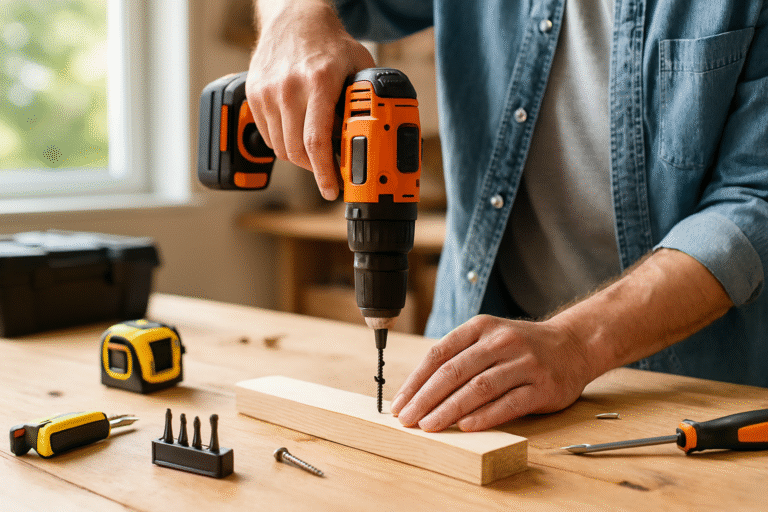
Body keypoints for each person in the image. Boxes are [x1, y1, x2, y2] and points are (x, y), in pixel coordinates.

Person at [247, 0, 768, 432]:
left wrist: (578, 342)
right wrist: (292, 18)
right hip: (482, 374)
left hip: (691, 398)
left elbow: (754, 202)